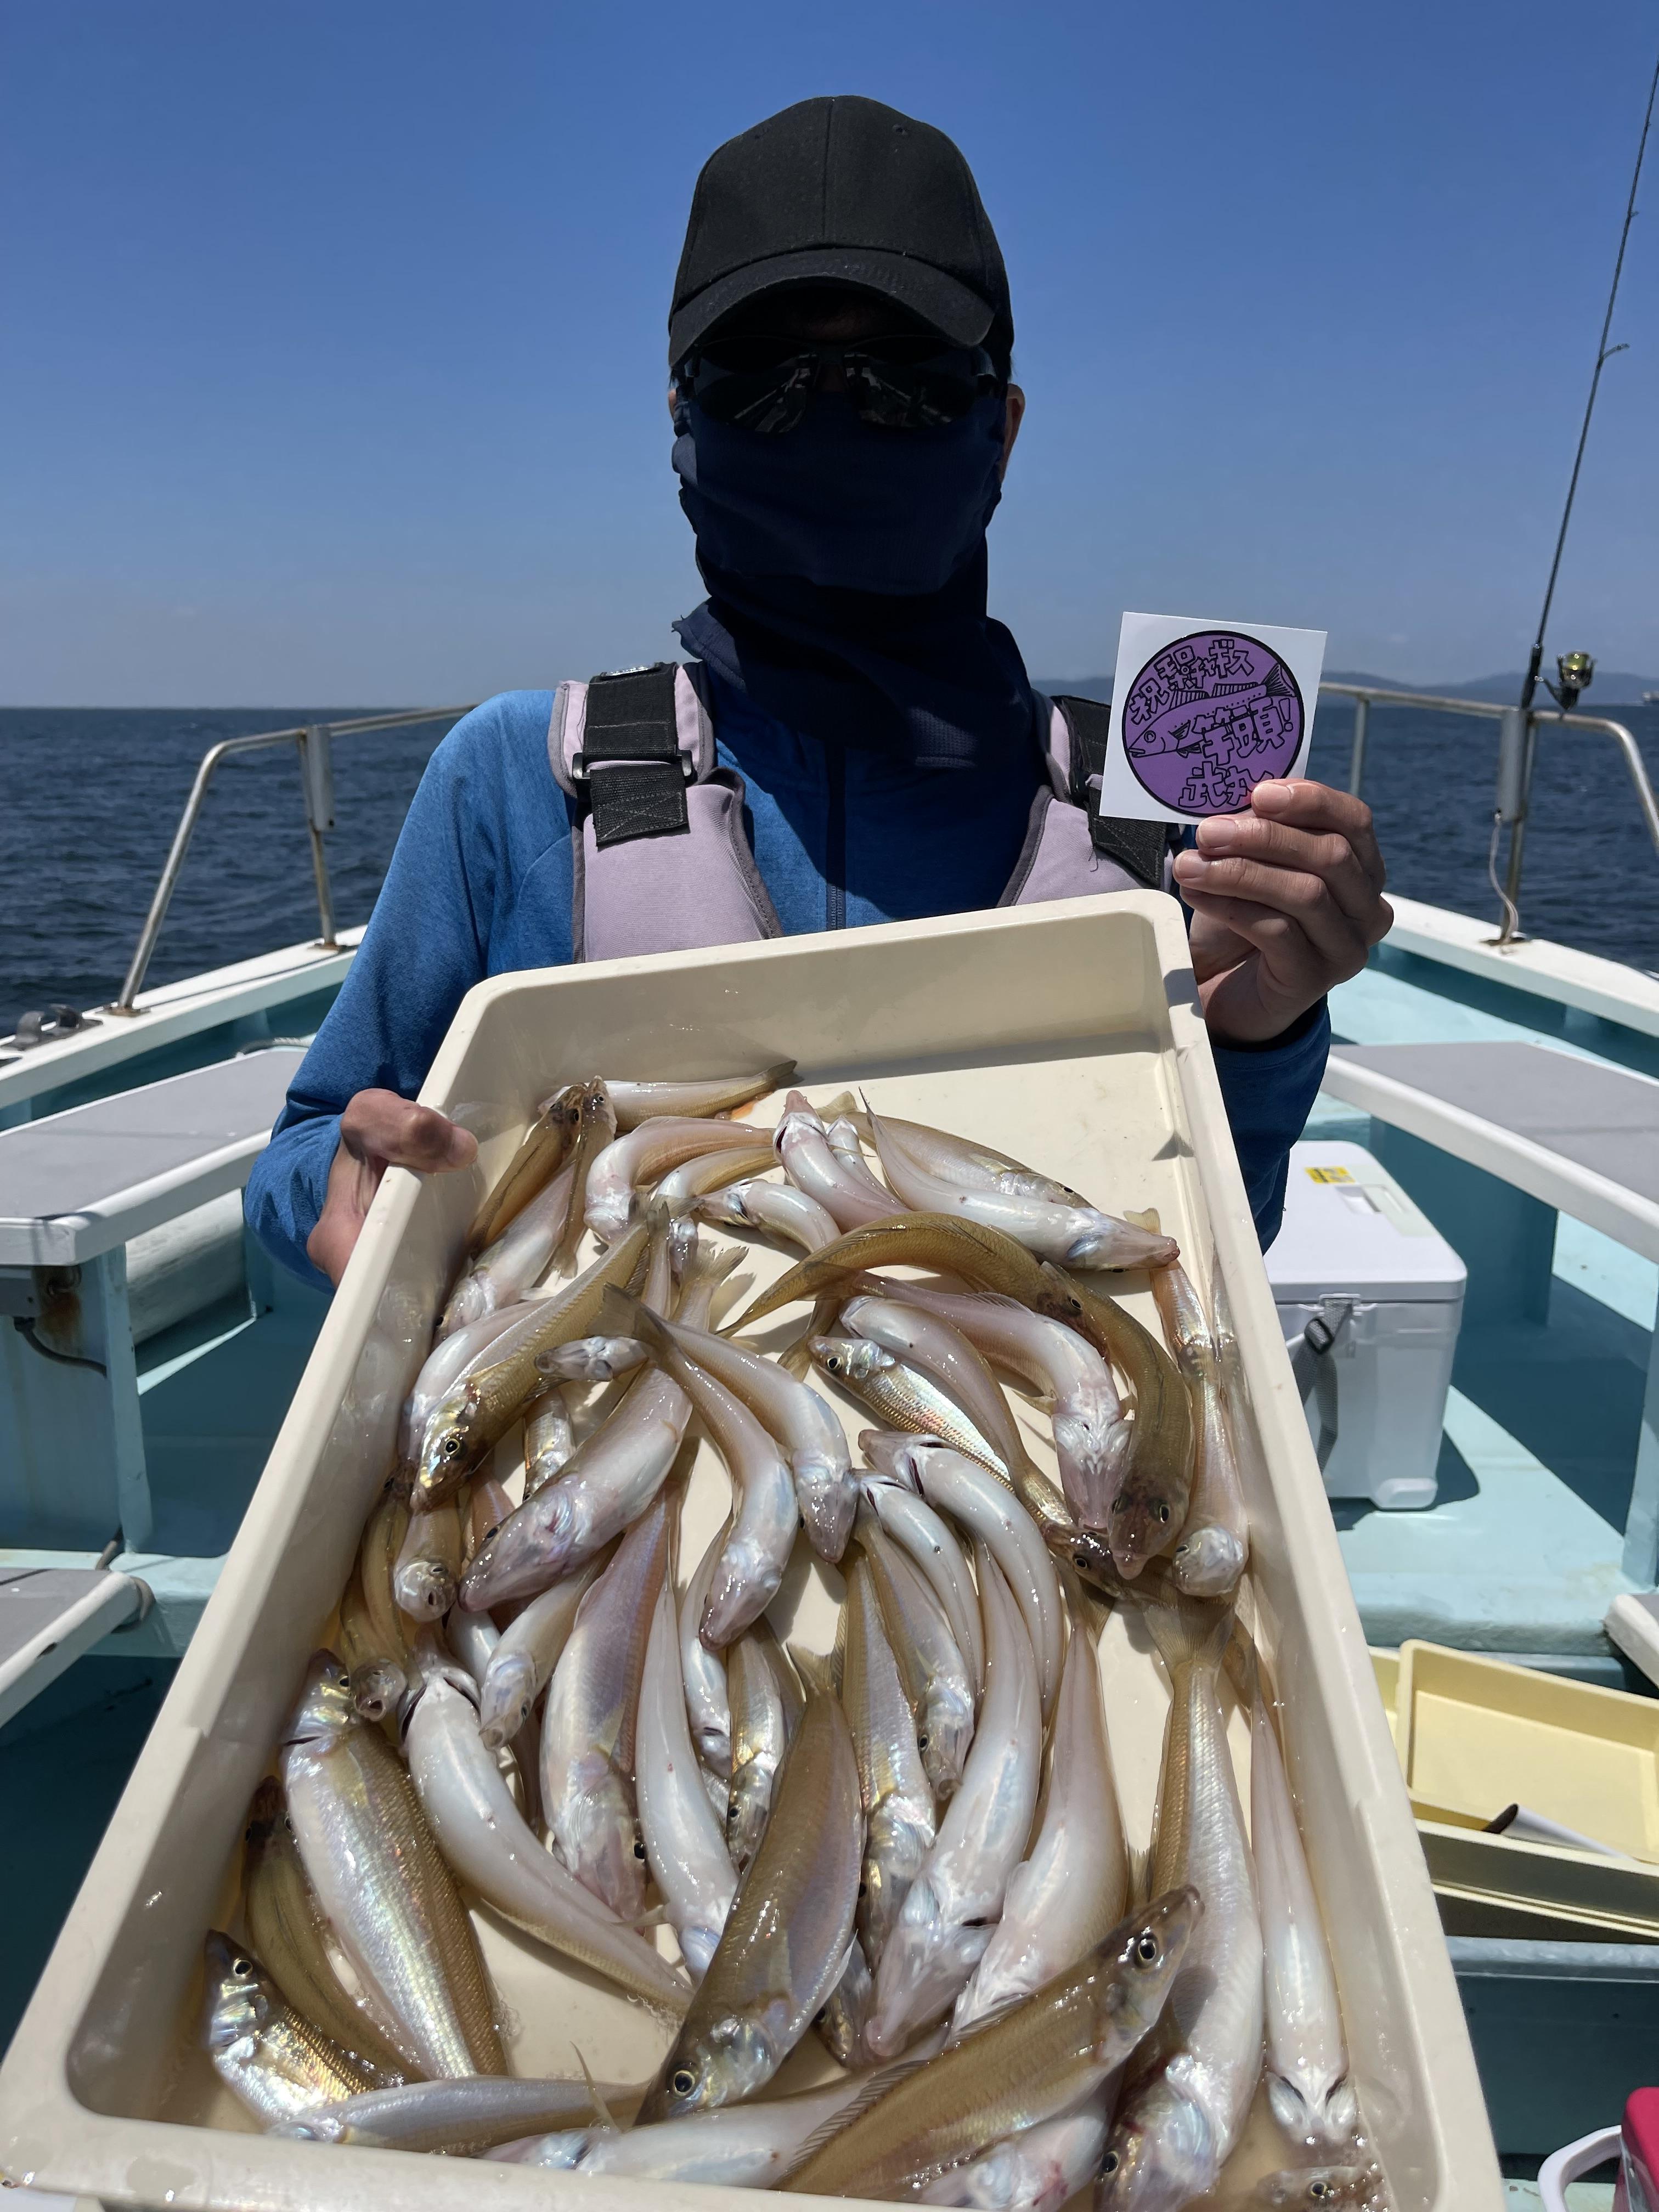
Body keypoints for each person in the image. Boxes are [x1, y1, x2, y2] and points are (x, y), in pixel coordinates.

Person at [245, 94, 1391, 1291]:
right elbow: (308, 1150)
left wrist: (1258, 1031)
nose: (834, 419)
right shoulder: (519, 777)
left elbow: (1211, 1237)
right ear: (682, 418)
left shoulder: (1156, 813)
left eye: (905, 380)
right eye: (760, 381)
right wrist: (350, 1187)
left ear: (999, 430)